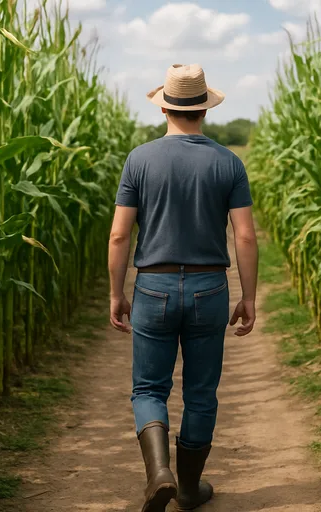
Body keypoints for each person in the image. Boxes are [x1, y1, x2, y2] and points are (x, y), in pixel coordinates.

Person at [107, 64, 259, 512]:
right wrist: (248, 297)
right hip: (209, 288)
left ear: (165, 109)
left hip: (152, 286)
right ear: (204, 112)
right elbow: (245, 236)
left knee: (149, 389)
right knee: (200, 390)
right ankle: (189, 490)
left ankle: (159, 474)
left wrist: (117, 292)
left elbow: (119, 235)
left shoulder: (139, 159)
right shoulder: (228, 162)